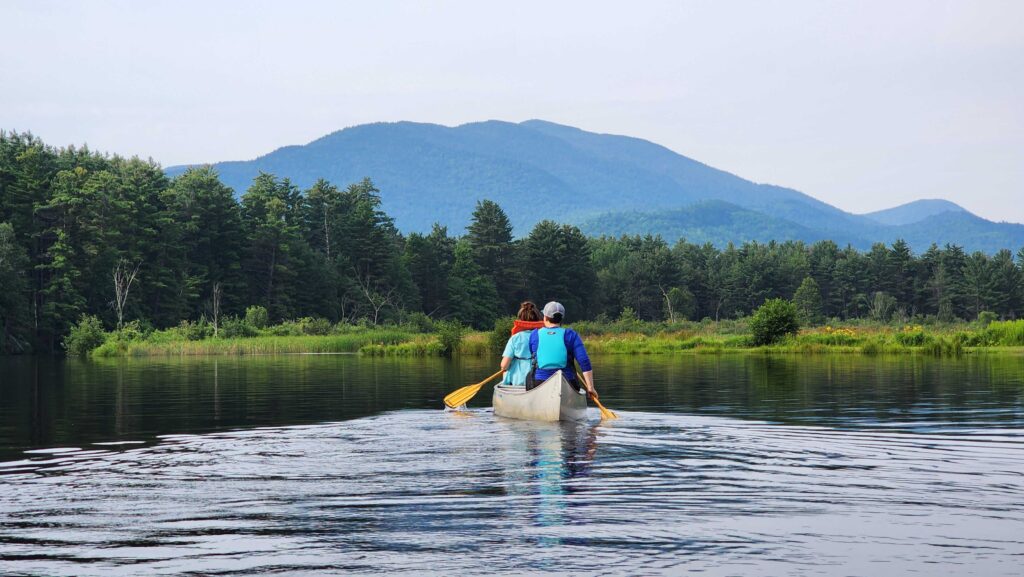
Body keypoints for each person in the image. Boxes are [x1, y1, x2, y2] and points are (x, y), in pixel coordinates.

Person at [528, 301, 597, 397]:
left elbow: (533, 355)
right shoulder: (571, 335)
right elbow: (584, 361)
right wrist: (590, 387)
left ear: (545, 317)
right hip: (568, 383)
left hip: (540, 382)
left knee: (529, 376)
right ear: (561, 319)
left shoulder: (534, 335)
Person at [499, 301, 544, 387]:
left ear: (521, 319)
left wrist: (504, 368)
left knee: (505, 372)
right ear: (538, 318)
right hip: (538, 380)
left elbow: (504, 365)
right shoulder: (542, 336)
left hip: (518, 381)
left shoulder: (515, 338)